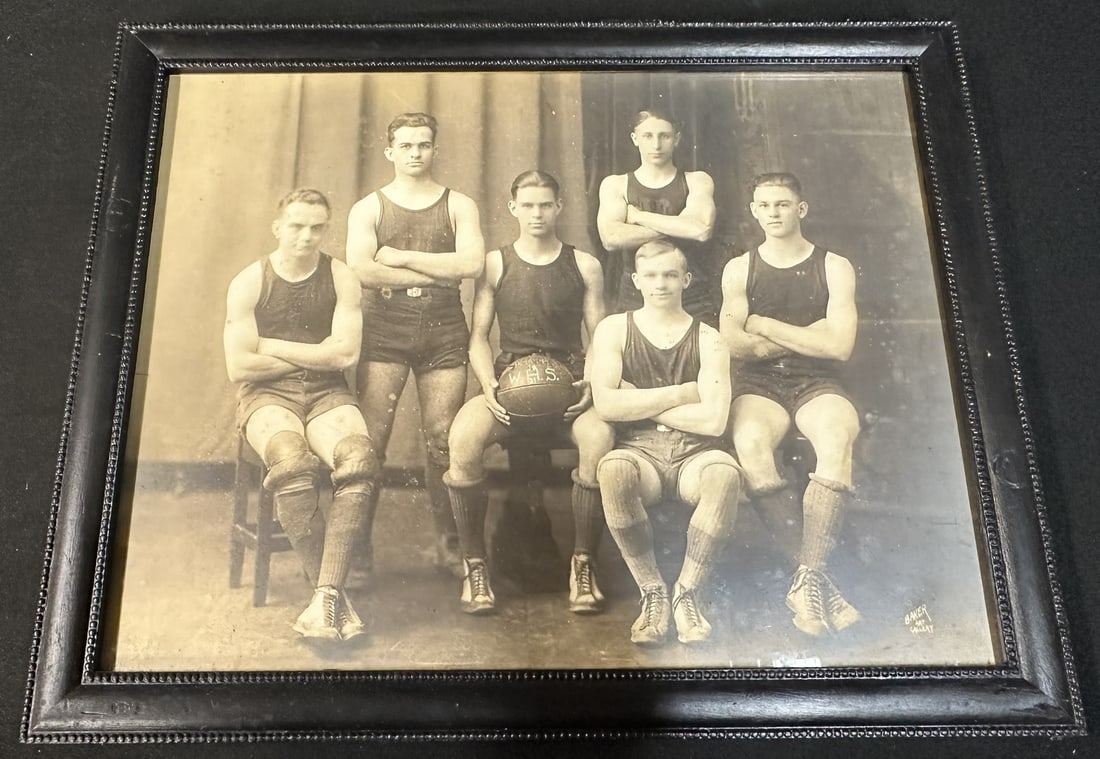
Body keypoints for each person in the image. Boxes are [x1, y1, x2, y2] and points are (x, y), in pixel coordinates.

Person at [443, 170, 614, 615]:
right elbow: (478, 336)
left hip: (570, 388)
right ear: (512, 208)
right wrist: (490, 387)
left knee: (598, 440)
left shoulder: (584, 264)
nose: (537, 214)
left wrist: (591, 385)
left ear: (559, 207)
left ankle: (583, 563)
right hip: (510, 385)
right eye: (528, 205)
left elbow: (601, 336)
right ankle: (474, 566)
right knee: (462, 442)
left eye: (546, 205)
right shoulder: (496, 263)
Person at [224, 188, 377, 641]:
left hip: (328, 394)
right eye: (296, 225)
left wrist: (271, 346)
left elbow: (345, 355)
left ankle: (325, 594)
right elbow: (240, 367)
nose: (306, 236)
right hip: (267, 397)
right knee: (291, 462)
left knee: (359, 461)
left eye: (316, 227)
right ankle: (330, 594)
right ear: (277, 227)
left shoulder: (341, 276)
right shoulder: (251, 280)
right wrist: (316, 353)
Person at [719, 172, 861, 637]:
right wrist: (805, 337)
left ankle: (808, 580)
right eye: (764, 205)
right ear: (754, 211)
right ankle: (818, 579)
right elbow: (734, 345)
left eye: (783, 204)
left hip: (818, 380)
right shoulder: (740, 268)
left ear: (802, 209)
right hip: (759, 383)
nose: (773, 213)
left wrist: (763, 323)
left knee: (838, 437)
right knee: (752, 444)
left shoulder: (834, 266)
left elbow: (839, 346)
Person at [345, 113, 485, 578]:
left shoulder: (458, 204)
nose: (414, 154)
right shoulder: (369, 207)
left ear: (435, 149)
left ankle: (451, 544)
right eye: (405, 146)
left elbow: (471, 263)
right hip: (384, 327)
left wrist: (403, 258)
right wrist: (436, 271)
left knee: (444, 439)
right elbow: (364, 271)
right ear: (389, 151)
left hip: (443, 327)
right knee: (371, 441)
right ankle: (358, 548)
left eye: (423, 145)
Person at [590, 240, 742, 645]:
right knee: (613, 470)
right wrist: (682, 393)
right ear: (636, 280)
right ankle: (653, 591)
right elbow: (606, 404)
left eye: (671, 275)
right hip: (640, 453)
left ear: (686, 280)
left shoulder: (708, 338)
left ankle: (687, 593)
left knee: (725, 476)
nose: (661, 284)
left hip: (696, 452)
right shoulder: (614, 328)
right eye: (652, 276)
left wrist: (638, 399)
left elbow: (713, 421)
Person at [596, 107, 719, 325]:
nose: (656, 145)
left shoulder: (697, 180)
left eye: (664, 136)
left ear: (677, 139)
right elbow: (611, 238)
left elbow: (700, 231)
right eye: (648, 136)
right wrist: (680, 226)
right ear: (635, 138)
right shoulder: (616, 184)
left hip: (690, 292)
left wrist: (638, 216)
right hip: (636, 292)